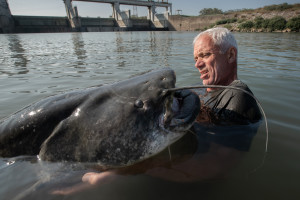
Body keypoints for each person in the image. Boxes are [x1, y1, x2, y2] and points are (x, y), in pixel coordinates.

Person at [193, 27, 262, 125]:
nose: (197, 64)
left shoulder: (238, 94)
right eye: (196, 59)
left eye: (205, 55)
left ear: (231, 55)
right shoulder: (198, 87)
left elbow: (214, 138)